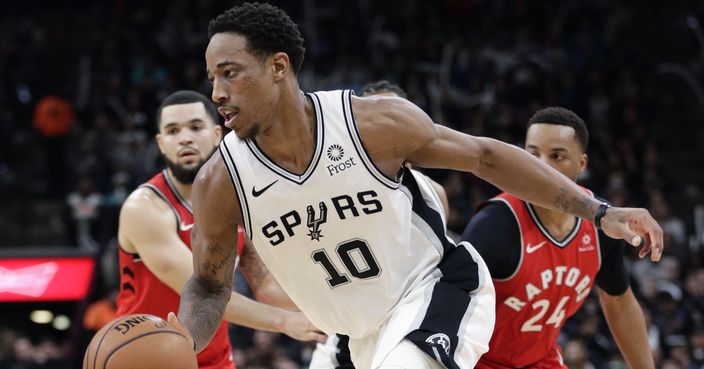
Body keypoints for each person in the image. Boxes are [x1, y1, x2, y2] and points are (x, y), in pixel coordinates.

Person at [175, 3, 663, 369]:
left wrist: (599, 211)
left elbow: (485, 156)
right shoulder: (221, 181)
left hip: (433, 291)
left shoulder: (371, 124)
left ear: (278, 67)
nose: (216, 92)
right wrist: (181, 347)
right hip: (354, 334)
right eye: (212, 77)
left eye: (230, 74)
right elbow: (208, 283)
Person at [117, 90, 325, 369]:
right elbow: (203, 291)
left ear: (217, 134)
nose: (185, 138)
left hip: (212, 357)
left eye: (195, 127)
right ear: (161, 144)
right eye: (173, 131)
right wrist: (285, 321)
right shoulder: (144, 208)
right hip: (147, 357)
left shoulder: (236, 202)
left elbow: (265, 284)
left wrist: (326, 305)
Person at [462, 107, 655, 369]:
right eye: (532, 155)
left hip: (540, 360)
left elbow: (619, 302)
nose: (541, 165)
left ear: (582, 164)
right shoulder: (496, 225)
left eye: (557, 156)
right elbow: (446, 310)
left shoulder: (602, 225)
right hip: (477, 362)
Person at [308, 80, 450, 369]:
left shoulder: (434, 191)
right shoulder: (335, 188)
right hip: (350, 328)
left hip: (410, 318)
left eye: (394, 114)